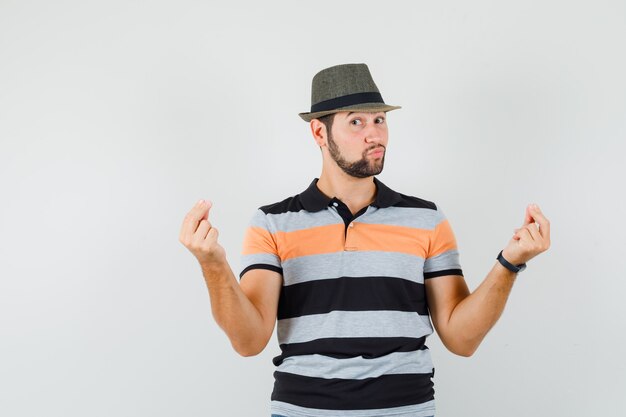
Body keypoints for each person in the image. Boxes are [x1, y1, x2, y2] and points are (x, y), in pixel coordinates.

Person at [178, 63, 551, 417]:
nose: (374, 134)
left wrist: (510, 262)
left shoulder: (426, 219)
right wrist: (212, 264)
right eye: (356, 121)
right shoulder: (273, 222)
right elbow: (249, 341)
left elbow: (461, 339)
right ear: (318, 133)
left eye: (379, 120)